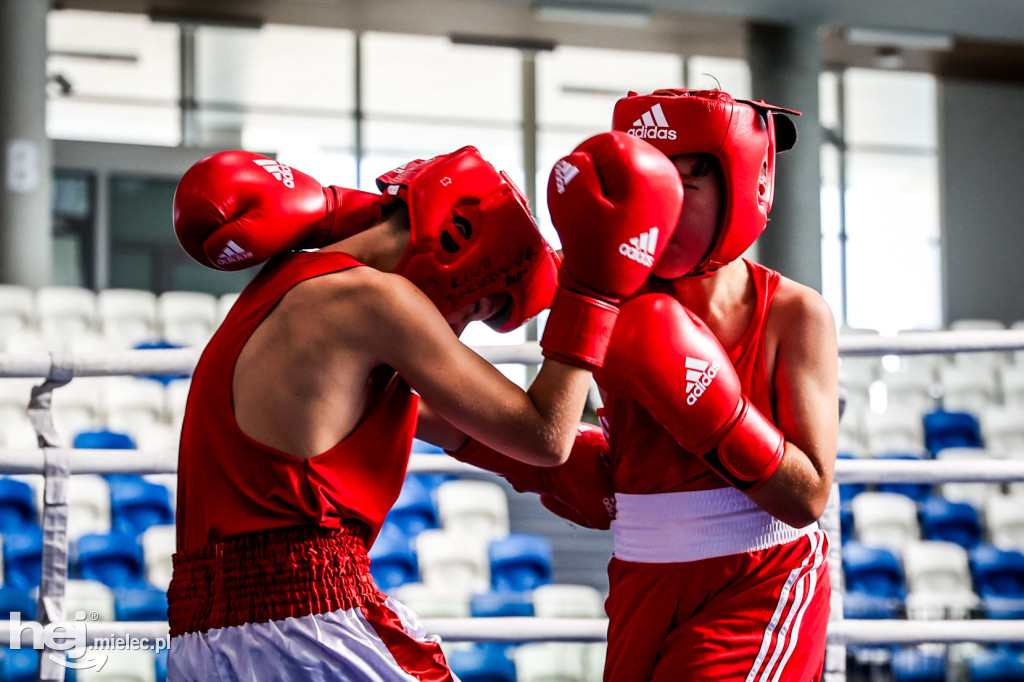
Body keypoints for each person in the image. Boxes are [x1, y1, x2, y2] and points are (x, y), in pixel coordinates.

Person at [165, 134, 683, 681]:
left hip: (203, 637)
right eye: (479, 308)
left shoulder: (290, 289)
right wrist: (596, 288)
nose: (457, 329)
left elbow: (474, 434)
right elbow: (546, 437)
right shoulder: (373, 299)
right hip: (308, 627)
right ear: (458, 243)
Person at [445, 89, 839, 681]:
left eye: (686, 184)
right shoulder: (609, 292)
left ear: (744, 185)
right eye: (652, 185)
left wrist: (718, 410)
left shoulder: (792, 312)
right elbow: (606, 472)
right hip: (640, 572)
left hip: (758, 577)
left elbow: (807, 497)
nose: (666, 206)